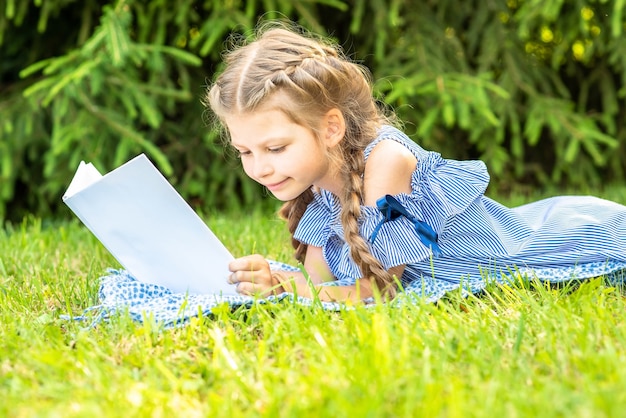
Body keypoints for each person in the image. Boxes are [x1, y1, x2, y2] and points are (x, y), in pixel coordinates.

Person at [206, 24, 626, 304]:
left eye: (275, 148)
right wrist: (274, 281)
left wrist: (292, 286)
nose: (259, 168)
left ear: (330, 128)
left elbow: (382, 289)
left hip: (564, 241)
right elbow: (325, 288)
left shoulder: (386, 162)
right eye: (245, 152)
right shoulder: (316, 186)